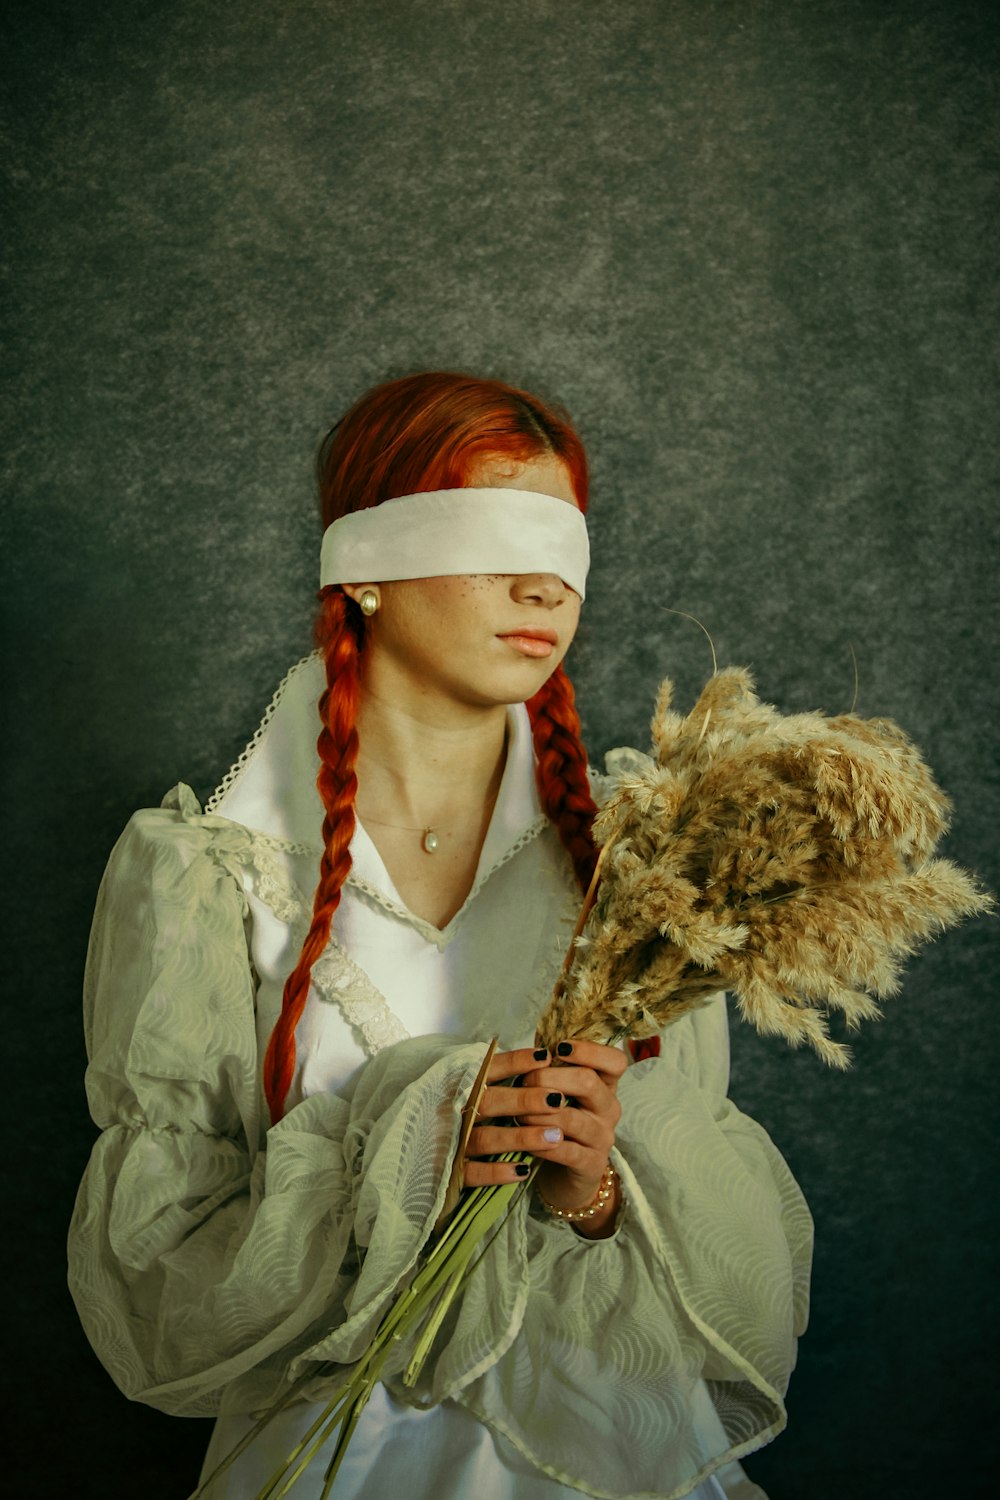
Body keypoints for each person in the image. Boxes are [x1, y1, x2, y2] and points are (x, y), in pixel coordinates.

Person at [68, 372, 812, 1500]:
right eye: (494, 534)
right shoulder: (209, 874)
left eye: (564, 544)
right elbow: (156, 1285)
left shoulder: (644, 873)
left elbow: (730, 1237)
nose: (541, 582)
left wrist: (597, 1191)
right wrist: (404, 1157)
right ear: (358, 564)